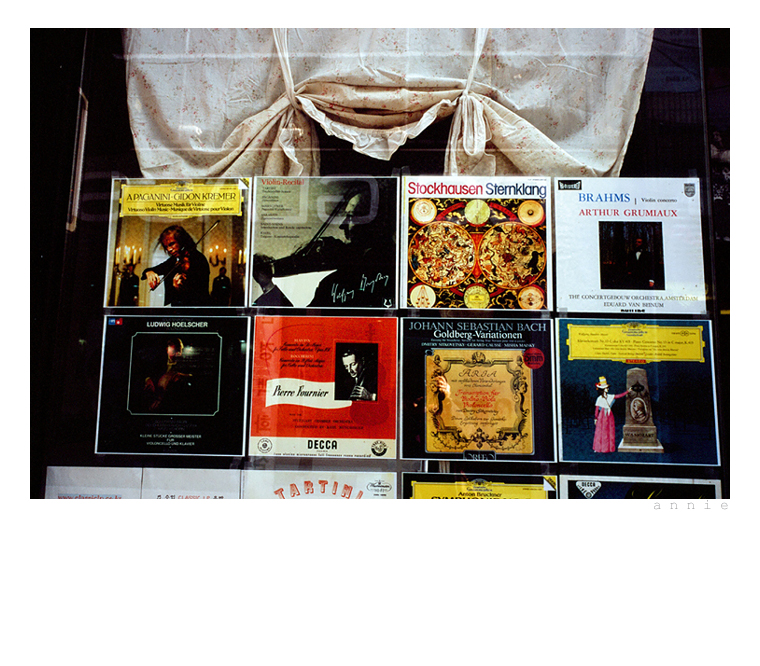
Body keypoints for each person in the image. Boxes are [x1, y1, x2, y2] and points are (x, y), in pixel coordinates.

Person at [141, 225, 210, 306]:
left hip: (196, 310)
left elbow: (200, 294)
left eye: (172, 244)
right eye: (166, 246)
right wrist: (149, 272)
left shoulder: (199, 259)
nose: (169, 249)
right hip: (175, 309)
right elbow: (151, 271)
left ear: (182, 240)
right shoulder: (174, 260)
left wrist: (181, 289)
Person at [143, 337, 192, 412]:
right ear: (167, 349)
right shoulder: (159, 360)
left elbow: (192, 376)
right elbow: (148, 372)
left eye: (179, 351)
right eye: (173, 350)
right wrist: (148, 379)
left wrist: (180, 375)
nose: (177, 353)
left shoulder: (185, 363)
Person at [592, 376, 630, 453]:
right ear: (603, 389)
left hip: (609, 415)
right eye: (606, 388)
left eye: (607, 387)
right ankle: (599, 448)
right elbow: (597, 409)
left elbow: (619, 396)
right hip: (602, 416)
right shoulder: (599, 399)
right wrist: (595, 418)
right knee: (601, 431)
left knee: (609, 430)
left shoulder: (610, 396)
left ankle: (608, 448)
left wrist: (628, 391)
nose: (607, 389)